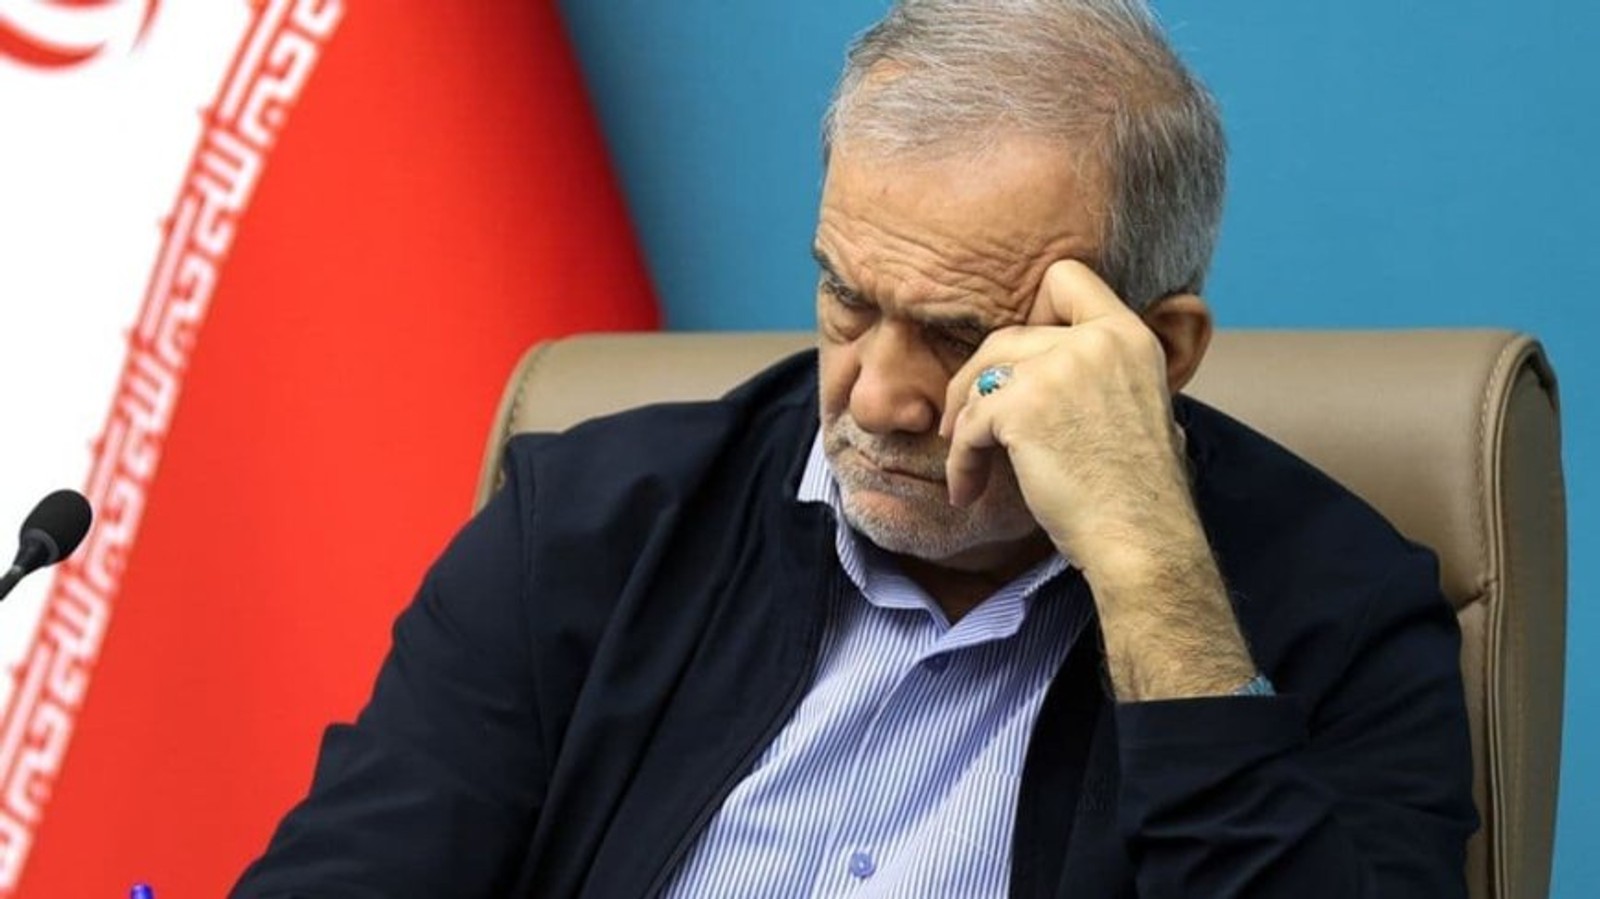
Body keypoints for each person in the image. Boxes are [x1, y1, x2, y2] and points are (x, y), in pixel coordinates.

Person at [233, 1, 1477, 896]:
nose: (877, 397)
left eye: (956, 335)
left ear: (1155, 349)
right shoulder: (590, 520)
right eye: (846, 297)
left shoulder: (1338, 608)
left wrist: (1153, 579)